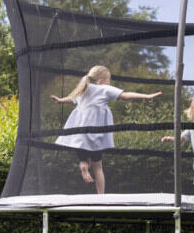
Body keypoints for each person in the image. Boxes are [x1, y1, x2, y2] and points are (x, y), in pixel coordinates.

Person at [51, 65, 161, 194]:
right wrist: (146, 96)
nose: (109, 82)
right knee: (98, 167)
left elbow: (71, 98)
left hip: (79, 133)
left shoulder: (84, 88)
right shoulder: (104, 89)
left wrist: (60, 100)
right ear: (102, 80)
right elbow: (125, 95)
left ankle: (84, 167)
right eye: (109, 79)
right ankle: (101, 196)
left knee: (83, 160)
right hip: (95, 134)